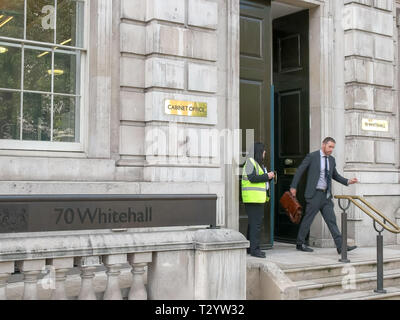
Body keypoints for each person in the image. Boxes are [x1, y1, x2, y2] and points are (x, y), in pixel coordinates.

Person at [290, 137, 359, 254]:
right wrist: (293, 186)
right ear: (323, 145)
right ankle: (300, 243)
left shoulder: (331, 160)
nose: (331, 149)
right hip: (314, 194)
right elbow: (300, 170)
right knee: (308, 219)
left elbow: (335, 175)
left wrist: (348, 181)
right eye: (330, 146)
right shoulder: (312, 157)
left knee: (332, 221)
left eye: (333, 147)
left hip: (326, 196)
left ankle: (340, 247)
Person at [242, 142, 275, 258]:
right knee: (256, 225)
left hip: (257, 199)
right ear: (259, 151)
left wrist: (269, 178)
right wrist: (267, 176)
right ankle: (255, 250)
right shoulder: (250, 162)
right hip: (252, 199)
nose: (265, 152)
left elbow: (259, 180)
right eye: (263, 150)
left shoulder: (258, 164)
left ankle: (251, 248)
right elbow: (252, 178)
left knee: (253, 224)